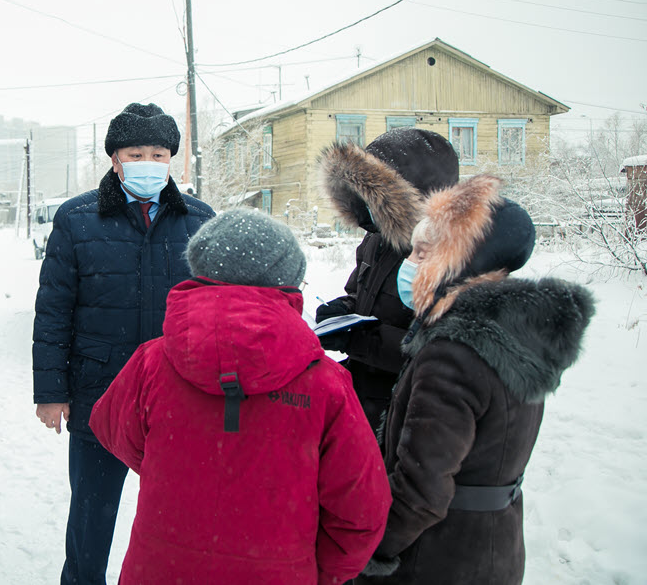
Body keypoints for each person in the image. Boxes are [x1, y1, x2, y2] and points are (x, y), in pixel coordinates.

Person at [90, 209, 391, 584]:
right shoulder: (326, 383)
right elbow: (361, 511)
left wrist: (184, 467)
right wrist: (315, 572)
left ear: (202, 272)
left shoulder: (152, 362)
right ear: (288, 283)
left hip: (157, 569)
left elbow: (116, 431)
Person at [356, 175, 595, 584]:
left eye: (423, 253)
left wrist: (365, 551)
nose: (410, 263)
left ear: (463, 262)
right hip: (491, 546)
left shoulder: (453, 353)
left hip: (433, 560)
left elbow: (421, 491)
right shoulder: (515, 334)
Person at [32, 102, 215, 585]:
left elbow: (216, 309)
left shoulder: (199, 219)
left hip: (179, 396)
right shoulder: (77, 219)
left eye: (159, 154)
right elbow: (53, 310)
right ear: (115, 159)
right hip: (100, 393)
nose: (148, 163)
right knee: (91, 520)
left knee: (179, 521)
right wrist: (51, 392)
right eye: (136, 154)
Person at [315, 128, 459, 433]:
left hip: (408, 415)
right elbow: (359, 294)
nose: (367, 201)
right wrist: (342, 311)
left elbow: (441, 353)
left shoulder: (448, 256)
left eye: (376, 192)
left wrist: (359, 340)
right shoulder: (376, 239)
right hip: (361, 397)